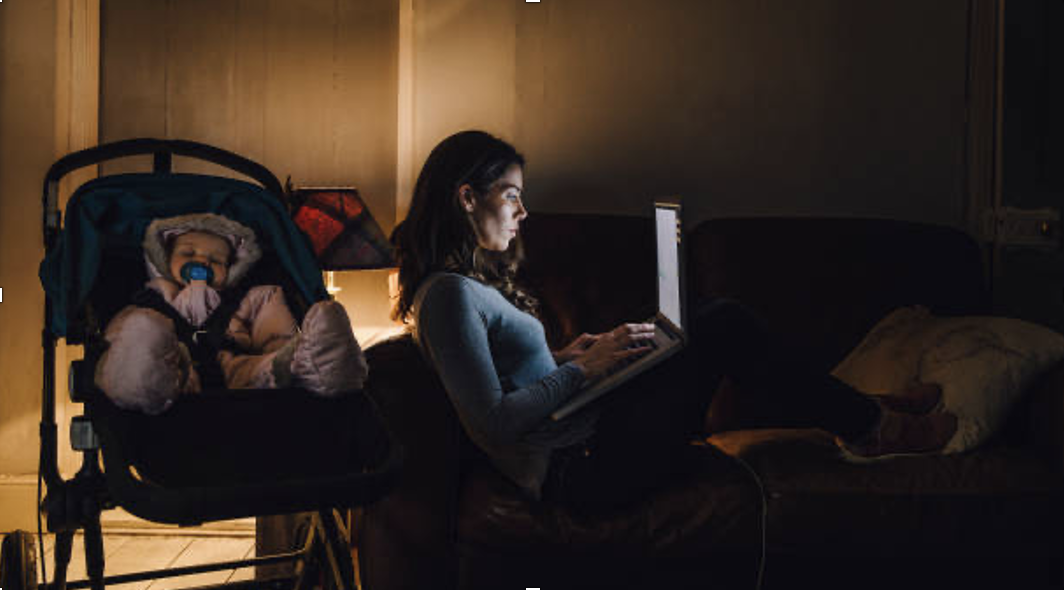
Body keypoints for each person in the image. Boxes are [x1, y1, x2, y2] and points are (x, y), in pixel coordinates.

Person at [390, 130, 958, 510]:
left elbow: (505, 377)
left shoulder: (465, 288)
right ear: (467, 198)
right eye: (511, 196)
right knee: (726, 324)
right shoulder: (447, 297)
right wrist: (586, 371)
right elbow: (492, 420)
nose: (523, 212)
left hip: (587, 438)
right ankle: (872, 425)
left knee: (705, 327)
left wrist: (575, 354)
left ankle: (864, 411)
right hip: (579, 472)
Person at [95, 212, 367, 415]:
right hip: (177, 371)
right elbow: (120, 331)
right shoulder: (152, 297)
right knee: (142, 333)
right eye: (188, 253)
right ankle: (140, 378)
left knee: (277, 365)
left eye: (215, 260)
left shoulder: (254, 297)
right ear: (164, 260)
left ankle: (319, 364)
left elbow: (274, 335)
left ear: (233, 268)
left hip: (239, 370)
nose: (201, 261)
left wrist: (284, 354)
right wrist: (137, 337)